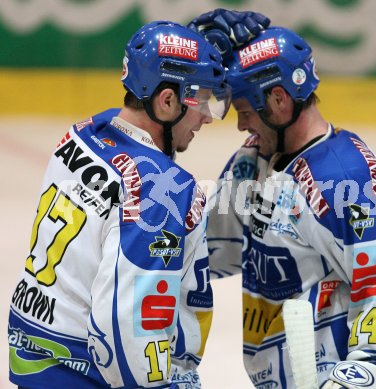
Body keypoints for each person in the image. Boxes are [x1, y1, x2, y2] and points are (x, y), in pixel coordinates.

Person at [195, 19, 376, 389]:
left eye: (246, 111)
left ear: (279, 100)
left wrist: (361, 379)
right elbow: (207, 248)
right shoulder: (253, 162)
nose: (241, 126)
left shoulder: (346, 180)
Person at [7, 20, 232, 388]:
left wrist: (188, 46)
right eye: (202, 99)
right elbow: (128, 326)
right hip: (89, 373)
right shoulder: (164, 188)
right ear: (167, 101)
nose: (207, 115)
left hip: (34, 352)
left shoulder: (85, 132)